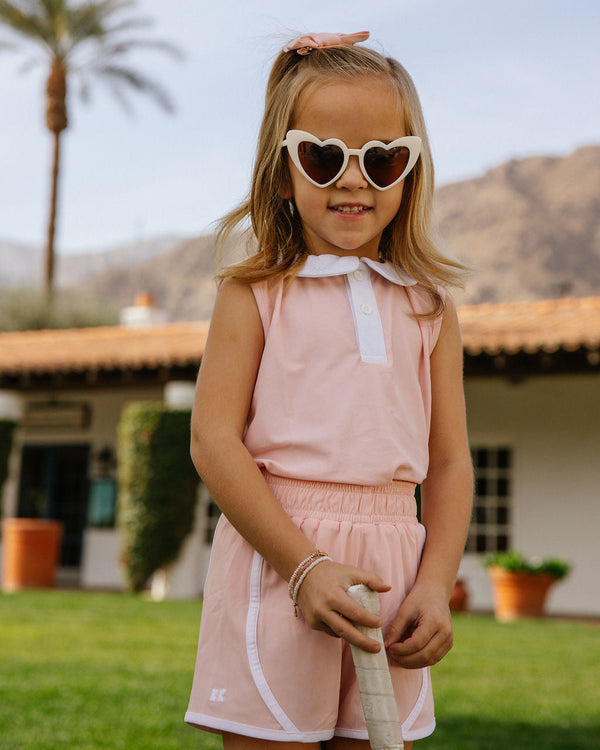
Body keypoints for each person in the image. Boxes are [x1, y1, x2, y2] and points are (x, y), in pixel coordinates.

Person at [184, 31, 473, 750]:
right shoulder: (253, 294)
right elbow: (213, 440)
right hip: (282, 557)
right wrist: (303, 566)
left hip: (393, 572)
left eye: (381, 160)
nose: (353, 180)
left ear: (409, 172)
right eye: (322, 156)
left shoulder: (429, 306)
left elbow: (449, 463)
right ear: (283, 172)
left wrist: (435, 584)